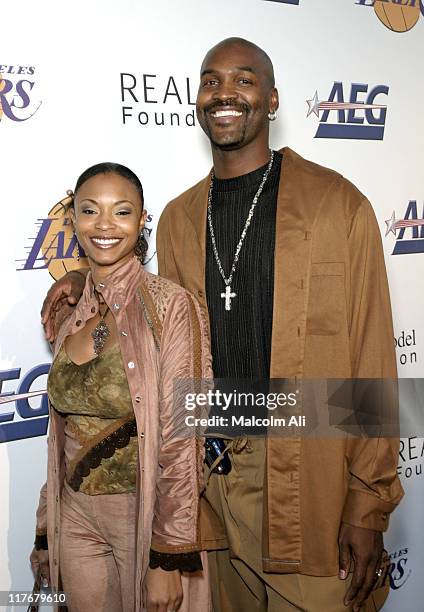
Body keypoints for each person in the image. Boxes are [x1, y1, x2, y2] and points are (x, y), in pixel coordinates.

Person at [41, 39, 404, 612]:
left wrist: (367, 502)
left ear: (273, 98)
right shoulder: (182, 216)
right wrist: (86, 284)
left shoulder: (338, 204)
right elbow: (159, 319)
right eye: (211, 81)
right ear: (198, 100)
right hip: (207, 478)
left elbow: (373, 356)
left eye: (243, 79)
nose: (225, 93)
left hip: (306, 474)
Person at [32, 162, 212, 612]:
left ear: (142, 219)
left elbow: (182, 438)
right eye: (90, 211)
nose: (105, 225)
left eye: (122, 211)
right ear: (73, 220)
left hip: (142, 514)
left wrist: (168, 557)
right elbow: (61, 437)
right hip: (74, 516)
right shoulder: (69, 311)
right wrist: (45, 530)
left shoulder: (171, 306)